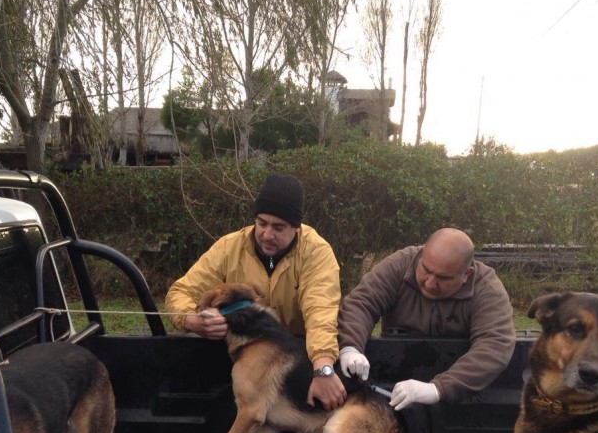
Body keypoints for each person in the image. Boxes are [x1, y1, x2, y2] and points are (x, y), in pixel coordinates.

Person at [165, 173, 346, 410]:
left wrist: (323, 369)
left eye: (278, 227)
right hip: (240, 361)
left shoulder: (316, 253)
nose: (267, 235)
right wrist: (191, 320)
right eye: (262, 223)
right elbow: (180, 292)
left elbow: (320, 311)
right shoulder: (229, 248)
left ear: (296, 227)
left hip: (296, 363)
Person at [337, 227, 516, 411]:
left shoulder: (487, 289)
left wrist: (438, 389)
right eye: (426, 270)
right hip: (394, 376)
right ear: (422, 253)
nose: (430, 283)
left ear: (467, 274)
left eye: (443, 278)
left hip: (460, 395)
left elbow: (495, 343)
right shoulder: (400, 264)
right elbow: (362, 303)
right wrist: (350, 347)